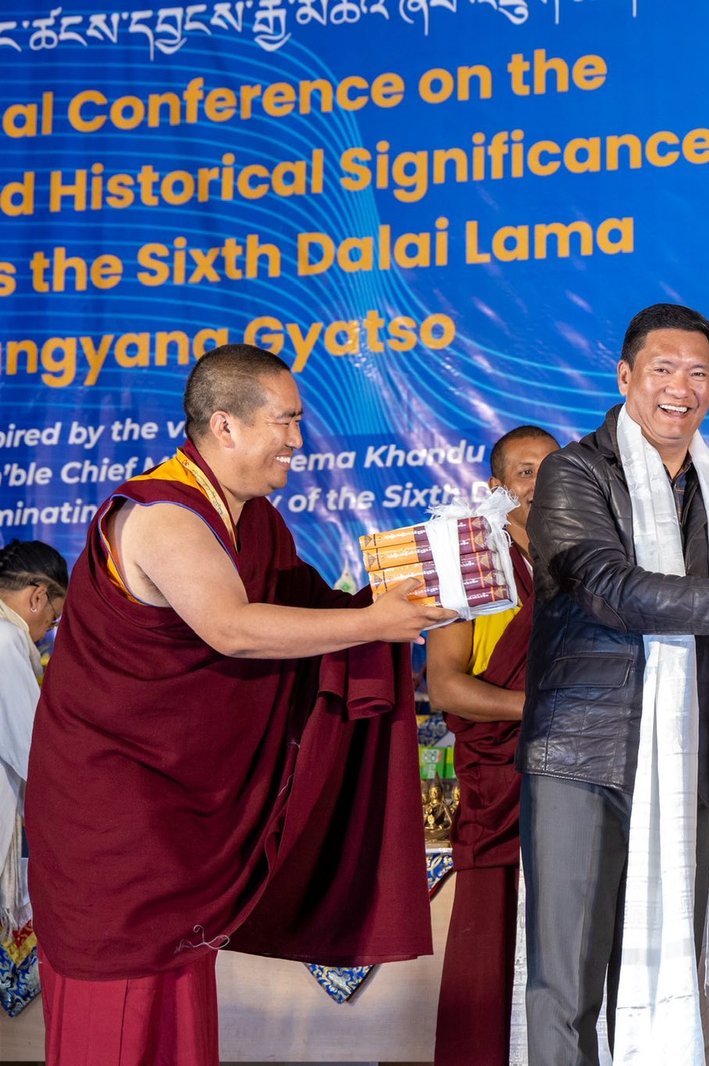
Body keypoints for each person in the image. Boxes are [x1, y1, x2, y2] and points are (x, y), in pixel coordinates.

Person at [26, 344, 452, 1066]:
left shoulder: (253, 521)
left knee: (178, 1003)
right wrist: (374, 624)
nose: (297, 439)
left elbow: (304, 611)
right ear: (225, 426)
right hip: (118, 811)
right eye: (286, 421)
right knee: (120, 1004)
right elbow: (232, 629)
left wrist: (408, 600)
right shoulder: (162, 515)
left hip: (181, 818)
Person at [519, 303, 709, 1064]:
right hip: (588, 758)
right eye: (663, 369)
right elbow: (609, 587)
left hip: (695, 763)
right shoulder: (573, 473)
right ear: (626, 376)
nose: (682, 387)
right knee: (566, 986)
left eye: (699, 373)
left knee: (687, 966)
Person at [429, 424, 558, 1066]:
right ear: (497, 488)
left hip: (578, 782)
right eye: (526, 471)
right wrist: (538, 709)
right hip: (500, 786)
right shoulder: (472, 564)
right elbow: (447, 686)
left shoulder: (588, 564)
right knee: (490, 953)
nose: (541, 484)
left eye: (553, 470)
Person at [0, 540, 67, 931]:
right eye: (54, 618)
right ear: (38, 597)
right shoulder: (7, 641)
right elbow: (33, 753)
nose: (47, 632)